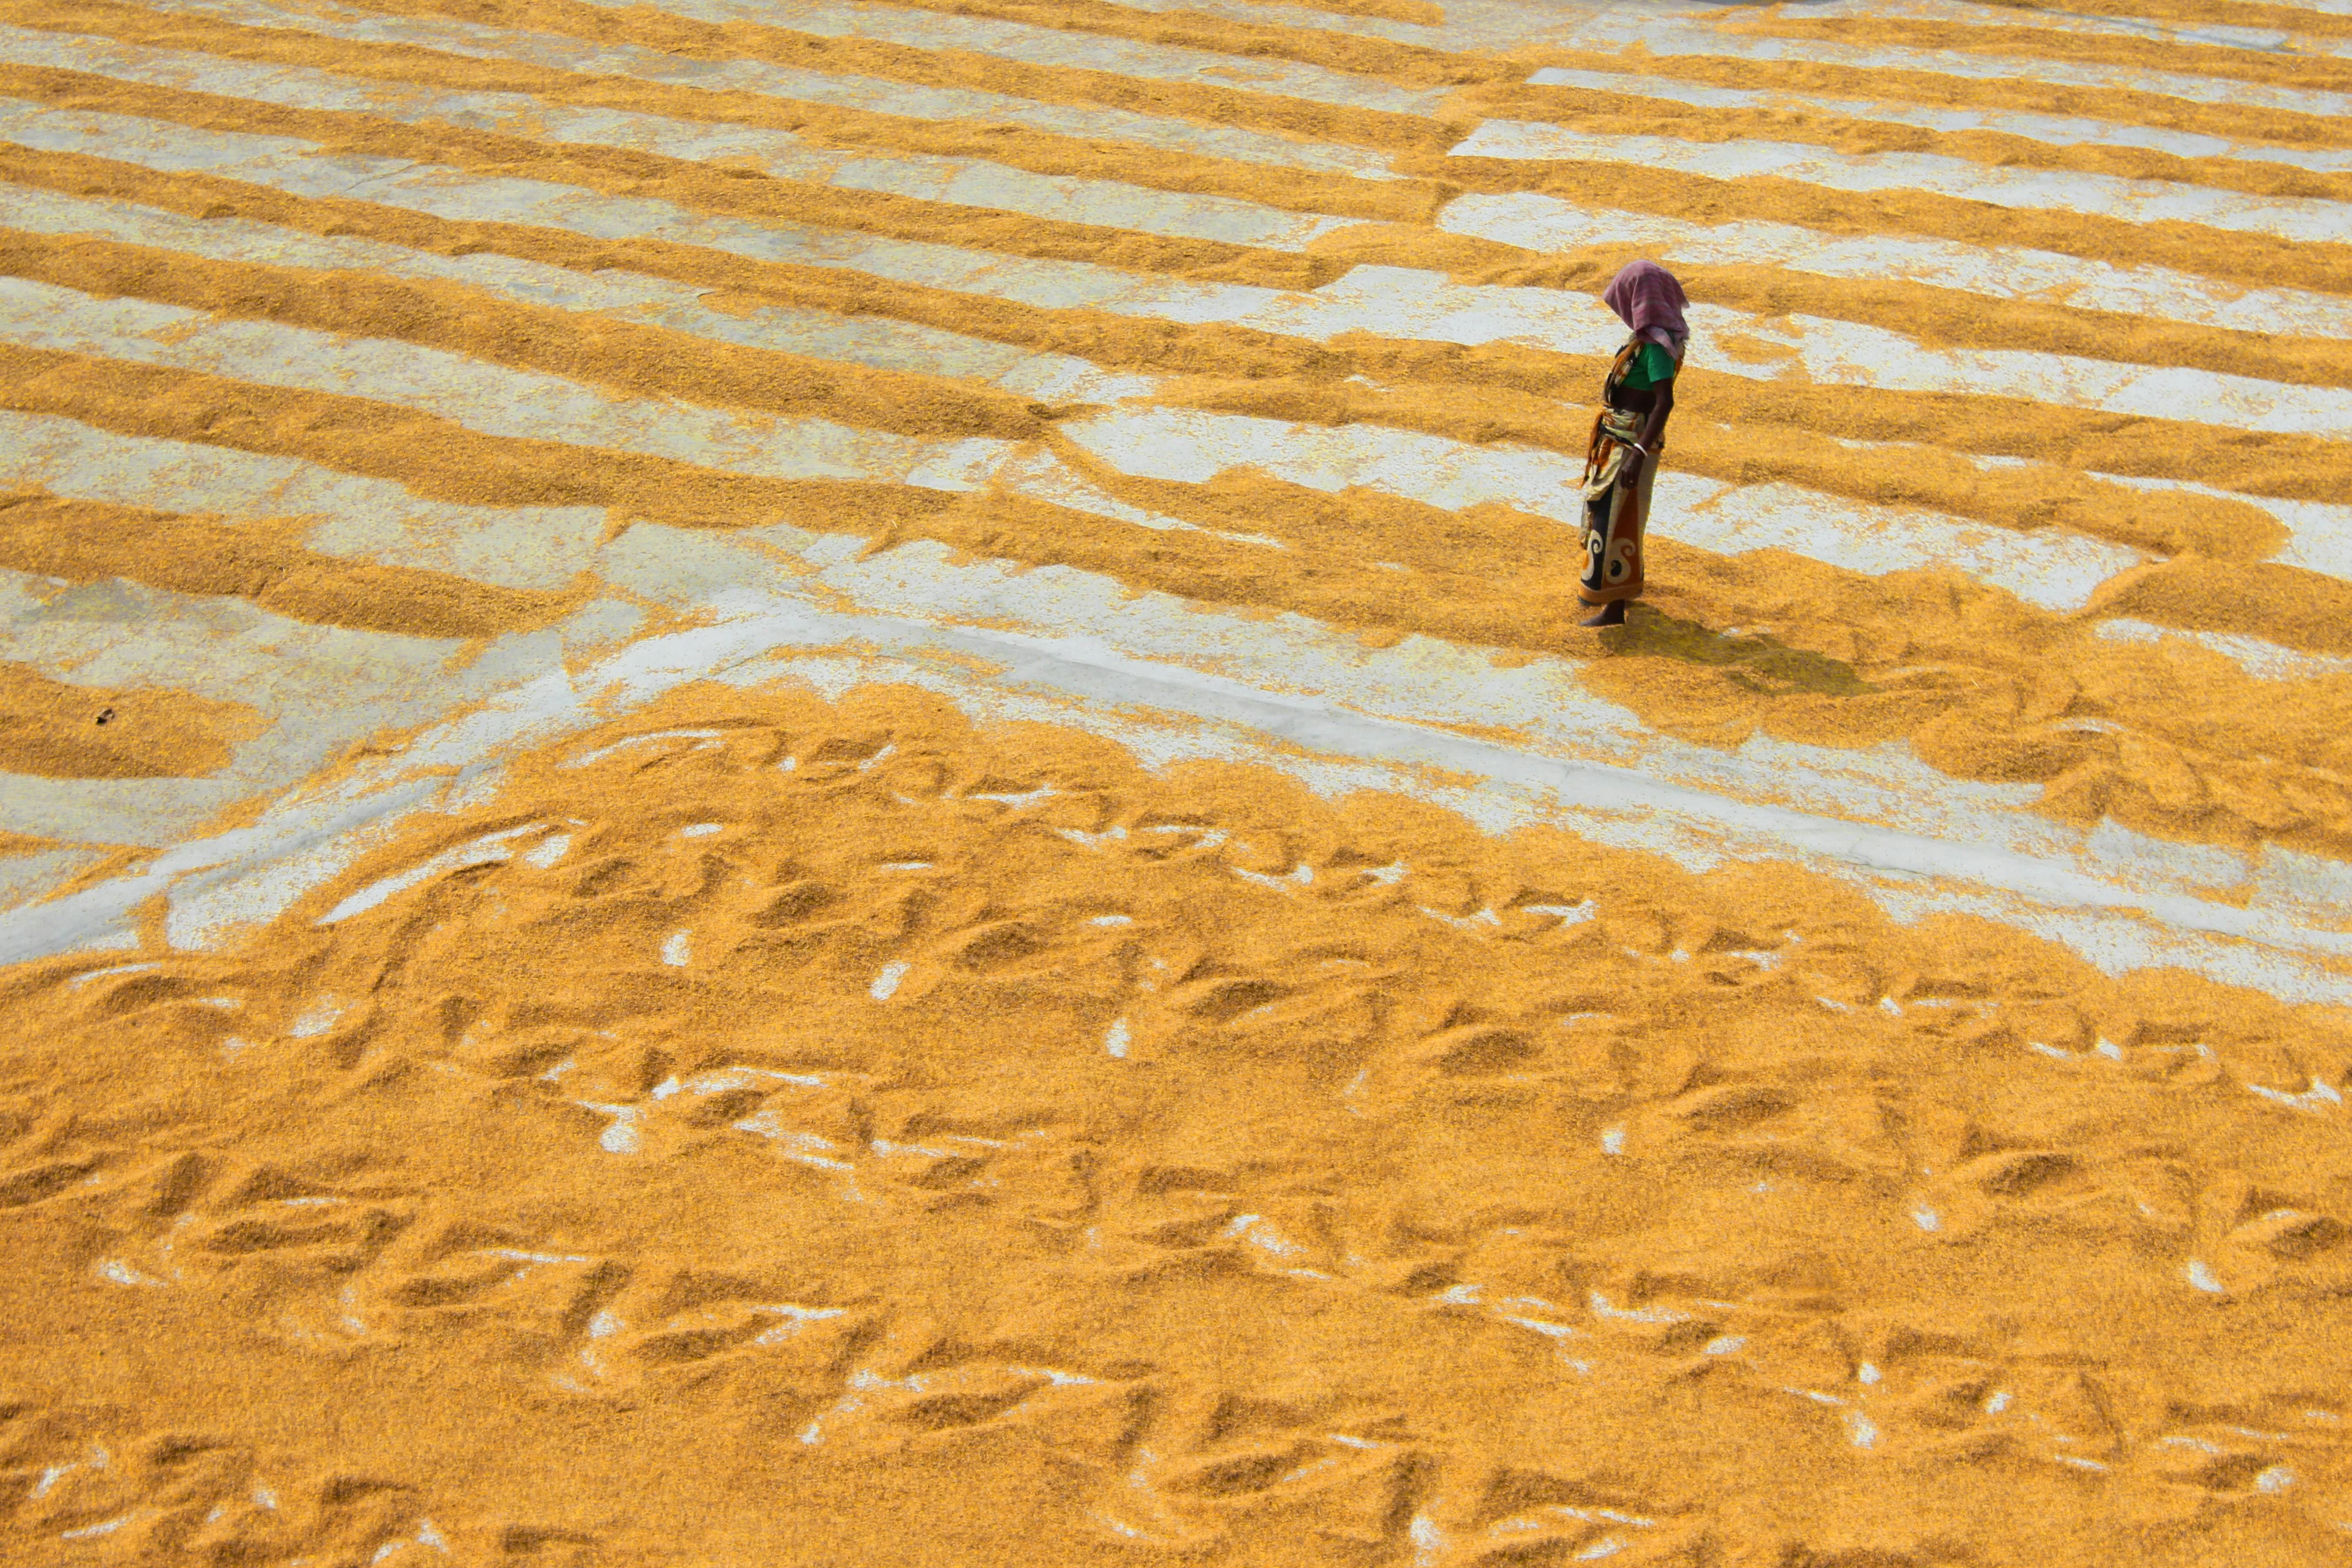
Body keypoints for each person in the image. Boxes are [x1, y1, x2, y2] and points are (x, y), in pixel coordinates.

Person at [1578, 260, 1688, 627]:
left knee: (1618, 520)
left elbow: (1664, 402)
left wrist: (1637, 455)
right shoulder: (1650, 338)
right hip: (1620, 438)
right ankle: (1614, 592)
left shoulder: (1657, 347)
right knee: (1613, 515)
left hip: (1631, 443)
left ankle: (1614, 609)